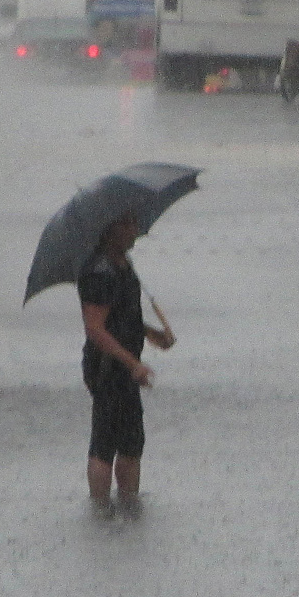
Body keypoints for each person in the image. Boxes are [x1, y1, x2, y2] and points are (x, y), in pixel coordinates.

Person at [77, 212, 174, 517]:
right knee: (105, 441)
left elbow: (124, 317)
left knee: (132, 441)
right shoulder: (99, 272)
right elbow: (95, 328)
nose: (135, 230)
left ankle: (129, 504)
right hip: (107, 366)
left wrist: (154, 334)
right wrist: (133, 363)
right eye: (128, 224)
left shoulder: (124, 266)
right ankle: (100, 510)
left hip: (126, 366)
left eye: (135, 222)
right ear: (110, 230)